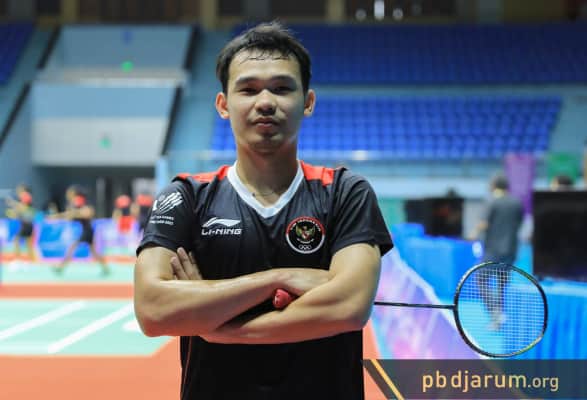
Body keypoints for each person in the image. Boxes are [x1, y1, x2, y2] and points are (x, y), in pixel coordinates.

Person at [134, 22, 393, 400]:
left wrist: (215, 323)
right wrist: (279, 278)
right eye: (249, 89)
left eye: (282, 88)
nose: (266, 101)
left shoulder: (344, 192)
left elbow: (350, 306)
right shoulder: (186, 197)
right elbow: (153, 310)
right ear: (223, 105)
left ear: (308, 102)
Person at [469, 174, 524, 330]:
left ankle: (495, 312)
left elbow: (484, 223)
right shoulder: (517, 203)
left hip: (493, 250)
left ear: (493, 185)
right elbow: (520, 223)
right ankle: (498, 316)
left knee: (480, 279)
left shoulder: (491, 201)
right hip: (511, 250)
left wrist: (473, 233)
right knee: (501, 284)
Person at [51, 186, 110, 276]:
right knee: (94, 252)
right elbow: (71, 216)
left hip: (87, 230)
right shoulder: (74, 203)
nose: (67, 194)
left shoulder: (78, 200)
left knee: (72, 248)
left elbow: (87, 212)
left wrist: (61, 216)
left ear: (73, 193)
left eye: (69, 192)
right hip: (87, 229)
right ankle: (105, 269)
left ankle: (61, 268)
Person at [4, 184, 38, 263]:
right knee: (28, 244)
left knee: (17, 240)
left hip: (27, 224)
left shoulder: (26, 195)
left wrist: (12, 203)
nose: (17, 190)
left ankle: (18, 260)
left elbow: (23, 208)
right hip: (26, 223)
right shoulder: (24, 198)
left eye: (19, 188)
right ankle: (33, 262)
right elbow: (23, 210)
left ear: (23, 189)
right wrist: (13, 213)